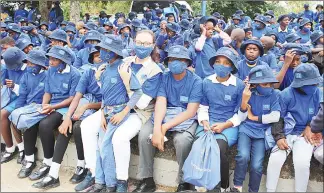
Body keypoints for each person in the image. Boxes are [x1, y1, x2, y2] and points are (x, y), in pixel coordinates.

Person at [134, 45, 203, 192]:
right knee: (145, 135)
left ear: (186, 62)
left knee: (183, 141)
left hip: (185, 117)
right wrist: (158, 127)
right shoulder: (164, 77)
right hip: (164, 114)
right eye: (172, 59)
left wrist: (164, 128)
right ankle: (147, 179)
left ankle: (184, 182)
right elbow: (161, 102)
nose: (175, 62)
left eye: (179, 60)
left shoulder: (196, 81)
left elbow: (191, 111)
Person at [31, 49, 103, 190]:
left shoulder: (111, 73)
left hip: (100, 109)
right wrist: (67, 118)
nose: (99, 59)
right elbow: (77, 96)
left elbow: (108, 102)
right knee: (66, 127)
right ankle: (53, 174)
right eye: (96, 56)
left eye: (101, 55)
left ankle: (82, 166)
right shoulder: (89, 72)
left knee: (78, 128)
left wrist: (86, 106)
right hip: (83, 108)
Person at [87, 36, 142, 192]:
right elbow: (105, 94)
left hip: (119, 112)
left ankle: (111, 184)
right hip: (107, 112)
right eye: (102, 49)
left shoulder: (123, 69)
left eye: (107, 50)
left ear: (115, 53)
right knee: (100, 145)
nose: (103, 52)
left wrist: (124, 112)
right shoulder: (104, 69)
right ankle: (100, 180)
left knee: (106, 147)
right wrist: (102, 114)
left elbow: (137, 93)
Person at [20, 46, 80, 183]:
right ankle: (29, 160)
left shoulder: (74, 74)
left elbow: (72, 99)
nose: (50, 62)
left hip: (65, 107)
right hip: (51, 105)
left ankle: (48, 162)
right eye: (50, 59)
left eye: (54, 60)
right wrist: (44, 106)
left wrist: (53, 107)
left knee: (45, 125)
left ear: (63, 61)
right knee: (31, 120)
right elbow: (47, 92)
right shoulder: (51, 71)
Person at [196, 47, 245, 192]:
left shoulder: (239, 85)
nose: (221, 65)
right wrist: (205, 122)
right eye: (218, 62)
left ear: (232, 67)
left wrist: (225, 125)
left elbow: (241, 114)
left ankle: (224, 186)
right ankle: (201, 183)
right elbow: (203, 106)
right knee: (199, 145)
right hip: (209, 121)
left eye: (226, 63)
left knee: (218, 148)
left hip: (229, 124)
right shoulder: (206, 82)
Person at [267, 63, 322, 192]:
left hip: (306, 134)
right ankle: (270, 190)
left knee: (302, 162)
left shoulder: (318, 92)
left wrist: (310, 126)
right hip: (287, 132)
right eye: (310, 84)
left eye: (315, 83)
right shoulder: (286, 94)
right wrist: (279, 137)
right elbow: (278, 117)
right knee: (275, 159)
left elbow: (321, 113)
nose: (314, 86)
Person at [231, 65, 280, 192]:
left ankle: (253, 190)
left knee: (257, 165)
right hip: (246, 129)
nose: (268, 86)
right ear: (256, 84)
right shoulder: (248, 94)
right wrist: (244, 101)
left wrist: (254, 118)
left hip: (261, 132)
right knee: (242, 156)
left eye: (270, 83)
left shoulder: (274, 95)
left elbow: (275, 116)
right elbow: (241, 118)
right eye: (264, 84)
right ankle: (237, 187)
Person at [8, 50, 47, 176]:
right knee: (15, 118)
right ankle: (27, 156)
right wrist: (17, 111)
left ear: (40, 64)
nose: (29, 66)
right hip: (28, 108)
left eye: (32, 64)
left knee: (30, 124)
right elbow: (22, 96)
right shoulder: (26, 76)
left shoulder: (47, 75)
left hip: (43, 108)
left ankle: (31, 160)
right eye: (28, 63)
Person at [1, 47, 27, 164]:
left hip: (26, 98)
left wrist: (15, 86)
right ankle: (10, 148)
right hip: (12, 97)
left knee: (4, 115)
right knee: (3, 115)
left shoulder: (29, 67)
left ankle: (22, 149)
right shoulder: (7, 67)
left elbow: (30, 90)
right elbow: (3, 83)